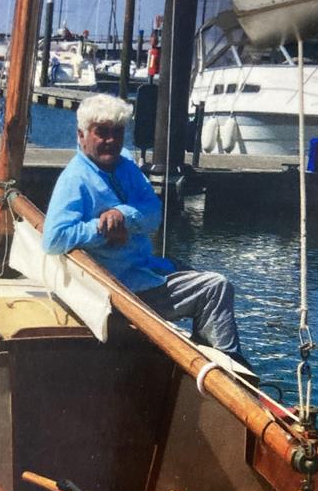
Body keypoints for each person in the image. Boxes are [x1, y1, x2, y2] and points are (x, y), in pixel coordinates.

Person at [42, 93, 250, 368]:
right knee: (215, 287)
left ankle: (206, 354)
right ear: (81, 135)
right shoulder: (76, 179)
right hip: (123, 287)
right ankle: (233, 369)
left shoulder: (125, 164)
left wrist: (122, 216)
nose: (111, 141)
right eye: (101, 133)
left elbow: (153, 214)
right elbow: (53, 238)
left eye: (117, 133)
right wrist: (101, 229)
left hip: (143, 266)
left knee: (195, 274)